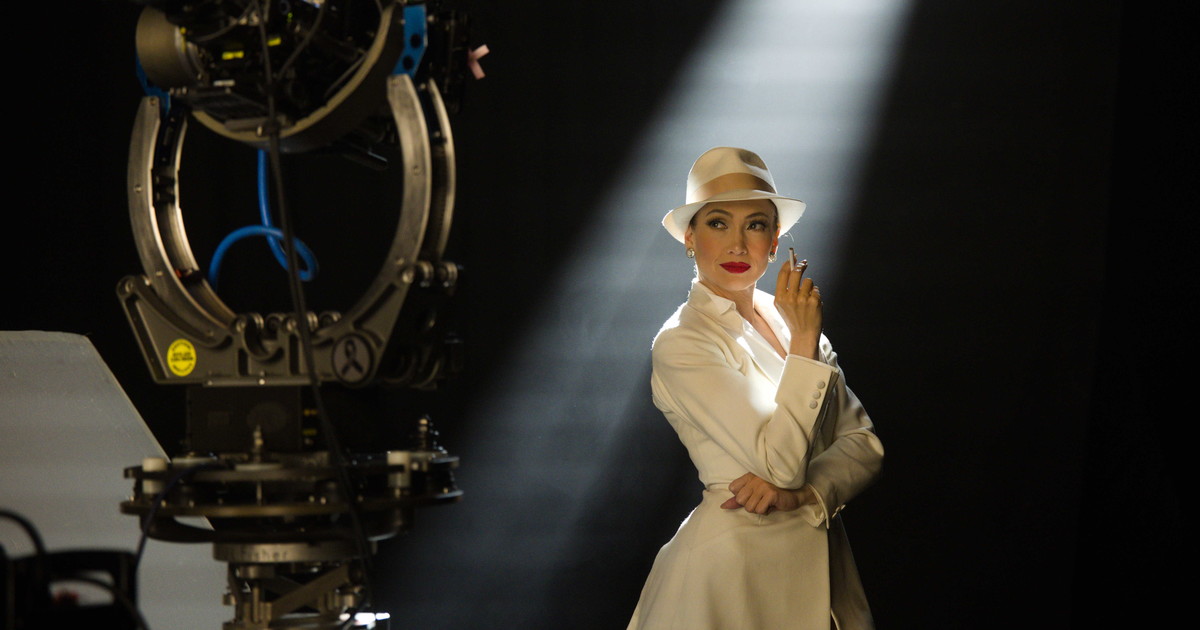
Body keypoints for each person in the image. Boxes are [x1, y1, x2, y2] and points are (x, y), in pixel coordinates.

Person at [627, 147, 884, 630]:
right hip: (728, 580)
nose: (738, 245)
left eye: (756, 225)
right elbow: (778, 466)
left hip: (827, 581)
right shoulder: (683, 341)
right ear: (690, 237)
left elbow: (865, 446)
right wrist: (804, 343)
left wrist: (807, 494)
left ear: (776, 239)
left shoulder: (791, 322)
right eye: (718, 224)